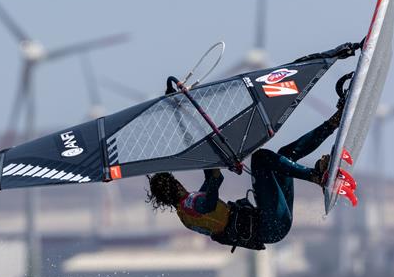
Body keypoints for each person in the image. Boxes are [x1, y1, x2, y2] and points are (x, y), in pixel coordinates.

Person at [146, 41, 361, 251]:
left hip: (273, 225)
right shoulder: (189, 206)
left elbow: (211, 177)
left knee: (284, 157)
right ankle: (317, 177)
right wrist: (208, 155)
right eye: (174, 180)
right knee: (262, 159)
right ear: (172, 186)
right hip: (269, 225)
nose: (178, 181)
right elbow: (212, 188)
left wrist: (206, 149)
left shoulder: (186, 211)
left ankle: (333, 122)